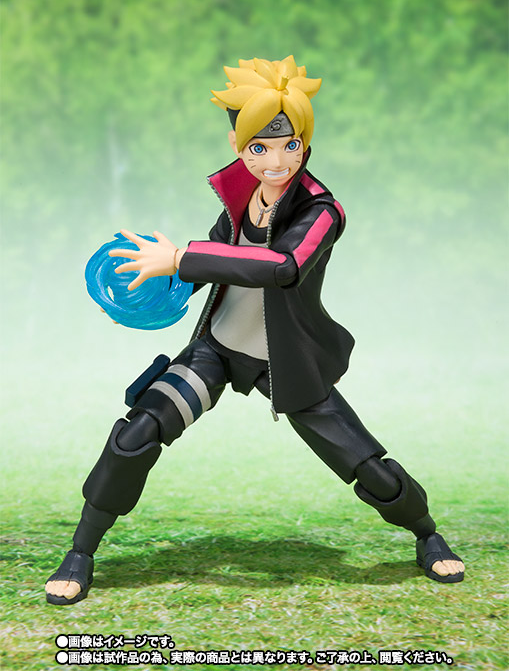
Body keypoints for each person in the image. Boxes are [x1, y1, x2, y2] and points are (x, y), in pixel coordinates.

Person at [45, 56, 464, 605]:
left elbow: (282, 267)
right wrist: (146, 288)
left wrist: (182, 257)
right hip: (216, 350)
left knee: (367, 467)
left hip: (283, 361)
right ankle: (81, 550)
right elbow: (216, 263)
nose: (277, 160)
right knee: (136, 434)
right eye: (260, 148)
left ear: (305, 142)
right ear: (238, 144)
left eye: (290, 145)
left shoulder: (321, 211)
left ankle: (427, 532)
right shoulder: (240, 200)